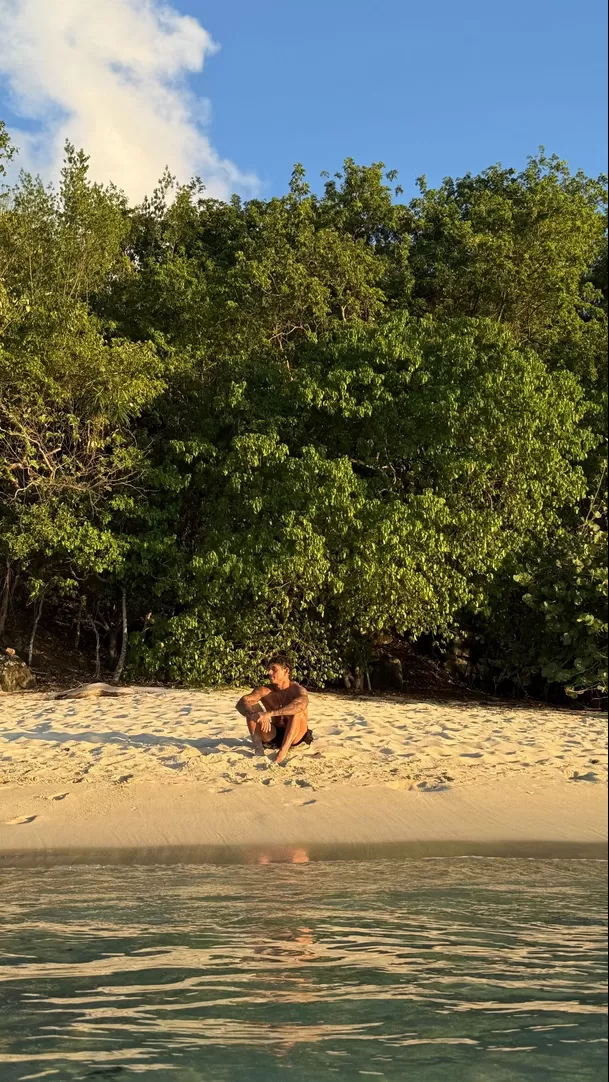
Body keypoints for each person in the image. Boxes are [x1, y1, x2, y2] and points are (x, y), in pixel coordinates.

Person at [236, 655, 313, 764]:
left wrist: (269, 714)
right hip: (274, 734)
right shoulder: (264, 690)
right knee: (250, 705)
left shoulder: (297, 690)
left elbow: (301, 704)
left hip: (297, 738)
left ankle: (282, 752)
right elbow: (241, 703)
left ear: (286, 671)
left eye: (274, 669)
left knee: (296, 711)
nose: (269, 673)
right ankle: (258, 749)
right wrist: (255, 714)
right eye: (269, 669)